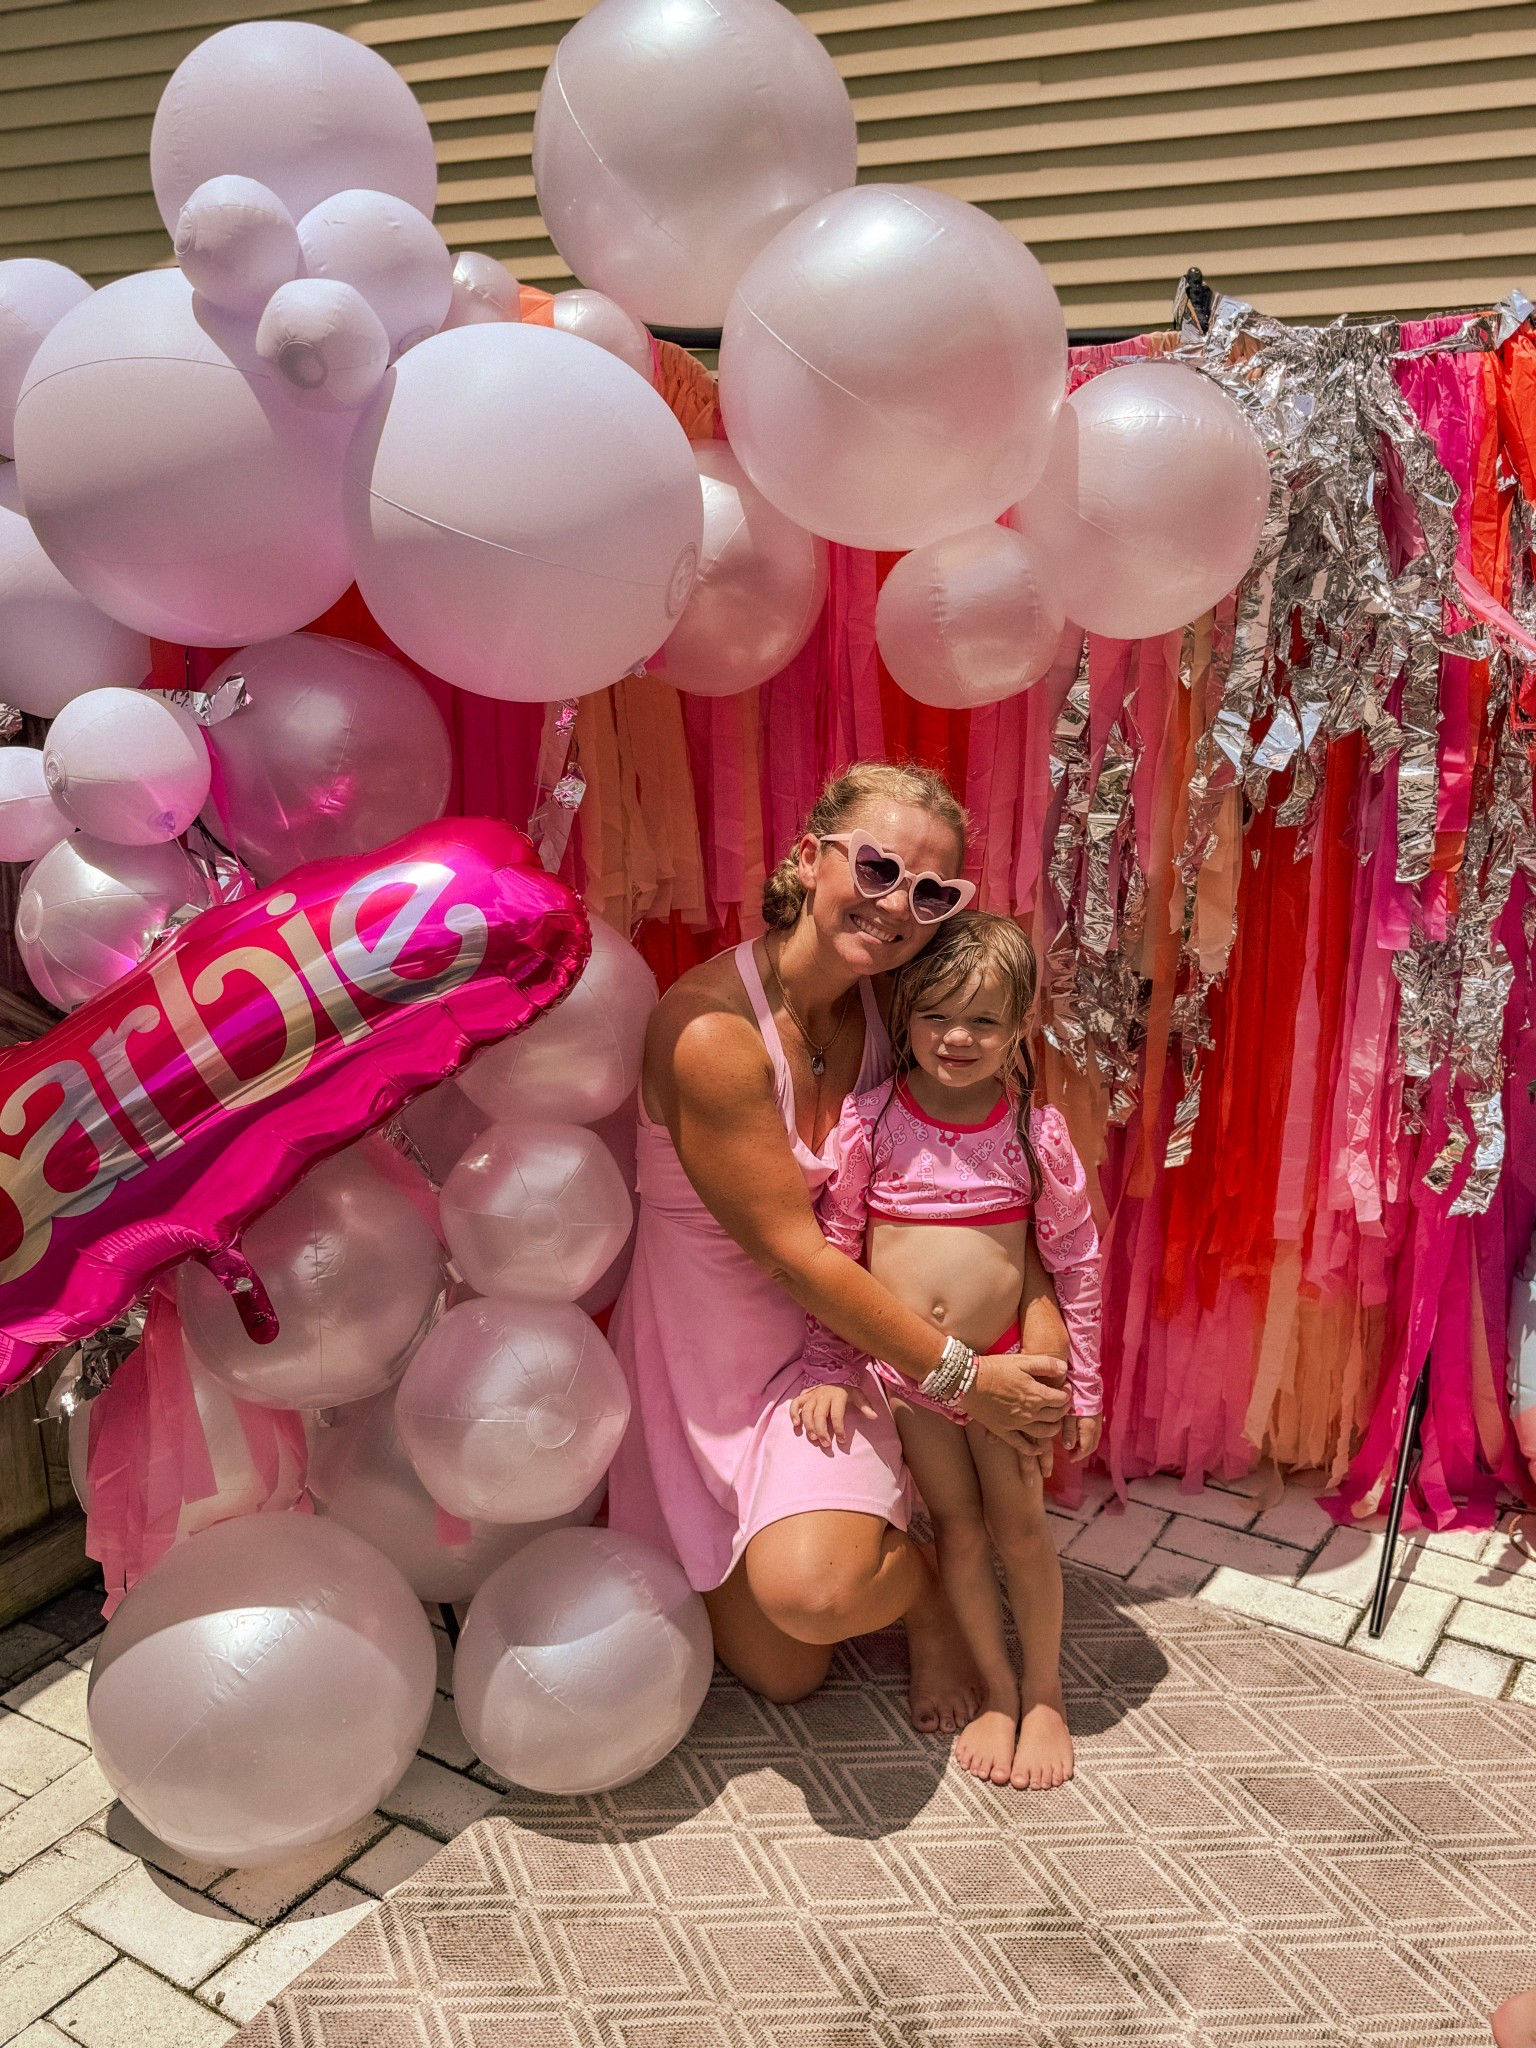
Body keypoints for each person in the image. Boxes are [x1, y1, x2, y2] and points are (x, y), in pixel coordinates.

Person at [606, 762, 1075, 1727]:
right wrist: (964, 1380)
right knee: (787, 1669)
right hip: (709, 1363)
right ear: (812, 860)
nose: (899, 905)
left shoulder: (893, 1008)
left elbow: (987, 1177)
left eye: (932, 892)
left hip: (844, 1354)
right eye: (877, 869)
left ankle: (934, 1593)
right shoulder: (711, 1034)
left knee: (817, 1594)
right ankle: (905, 1548)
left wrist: (1031, 1320)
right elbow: (795, 1256)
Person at [788, 913, 1102, 1790]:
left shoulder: (1035, 1134)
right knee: (958, 1534)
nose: (957, 1039)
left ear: (1020, 1029)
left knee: (1022, 1532)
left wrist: (1083, 1385)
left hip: (1009, 1367)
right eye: (936, 1017)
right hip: (912, 1380)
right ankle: (995, 1688)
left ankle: (1045, 1691)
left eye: (985, 1021)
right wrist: (830, 1366)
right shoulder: (872, 1123)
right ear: (904, 1014)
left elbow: (1075, 1259)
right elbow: (836, 1252)